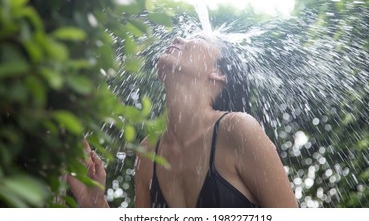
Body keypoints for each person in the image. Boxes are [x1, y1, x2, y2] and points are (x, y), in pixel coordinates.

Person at [68, 33, 298, 208]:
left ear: (218, 74)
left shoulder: (238, 130)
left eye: (197, 37)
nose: (178, 38)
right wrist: (94, 202)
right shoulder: (149, 151)